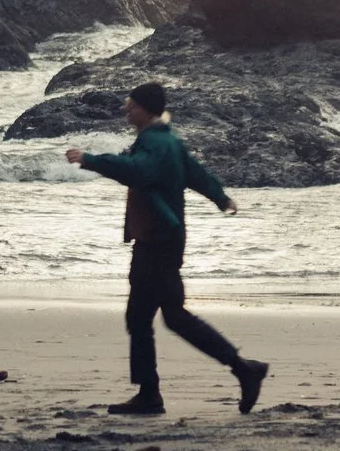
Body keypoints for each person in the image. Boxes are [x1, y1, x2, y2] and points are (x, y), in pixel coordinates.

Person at [66, 82, 266, 416]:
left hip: (158, 241)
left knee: (171, 317)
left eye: (131, 105)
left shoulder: (155, 143)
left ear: (146, 109)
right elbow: (196, 173)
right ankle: (152, 393)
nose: (126, 110)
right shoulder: (167, 140)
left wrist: (91, 160)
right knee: (144, 317)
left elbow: (137, 172)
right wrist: (221, 197)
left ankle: (241, 368)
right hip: (160, 238)